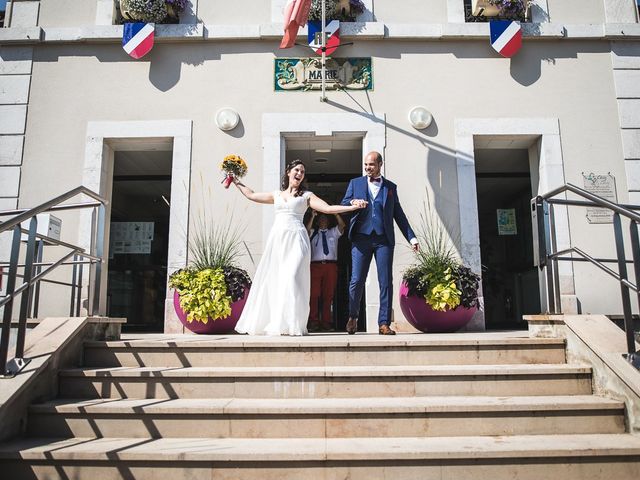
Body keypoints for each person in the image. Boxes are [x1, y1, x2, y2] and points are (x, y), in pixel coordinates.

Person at [232, 159, 365, 336]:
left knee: (293, 276)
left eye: (302, 171)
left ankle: (294, 323)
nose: (300, 173)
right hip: (278, 240)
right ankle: (280, 323)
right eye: (297, 170)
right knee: (277, 279)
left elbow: (328, 208)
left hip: (297, 239)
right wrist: (235, 181)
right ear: (288, 172)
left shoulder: (307, 196)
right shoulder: (276, 195)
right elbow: (251, 195)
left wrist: (351, 207)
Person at [341, 151, 419, 335]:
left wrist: (412, 237)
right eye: (366, 165)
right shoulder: (356, 183)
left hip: (383, 239)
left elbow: (398, 215)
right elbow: (344, 203)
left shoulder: (390, 188)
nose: (368, 168)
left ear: (380, 165)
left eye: (371, 165)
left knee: (385, 281)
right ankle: (353, 316)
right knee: (356, 280)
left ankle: (384, 323)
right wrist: (353, 201)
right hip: (361, 238)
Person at [305, 211, 346, 331]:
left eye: (325, 220)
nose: (323, 221)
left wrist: (335, 213)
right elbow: (306, 231)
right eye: (321, 220)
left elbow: (342, 226)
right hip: (315, 266)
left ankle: (326, 321)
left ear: (328, 222)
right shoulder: (313, 233)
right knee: (314, 294)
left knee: (328, 295)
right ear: (318, 222)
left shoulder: (333, 232)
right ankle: (313, 321)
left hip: (330, 266)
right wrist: (312, 216)